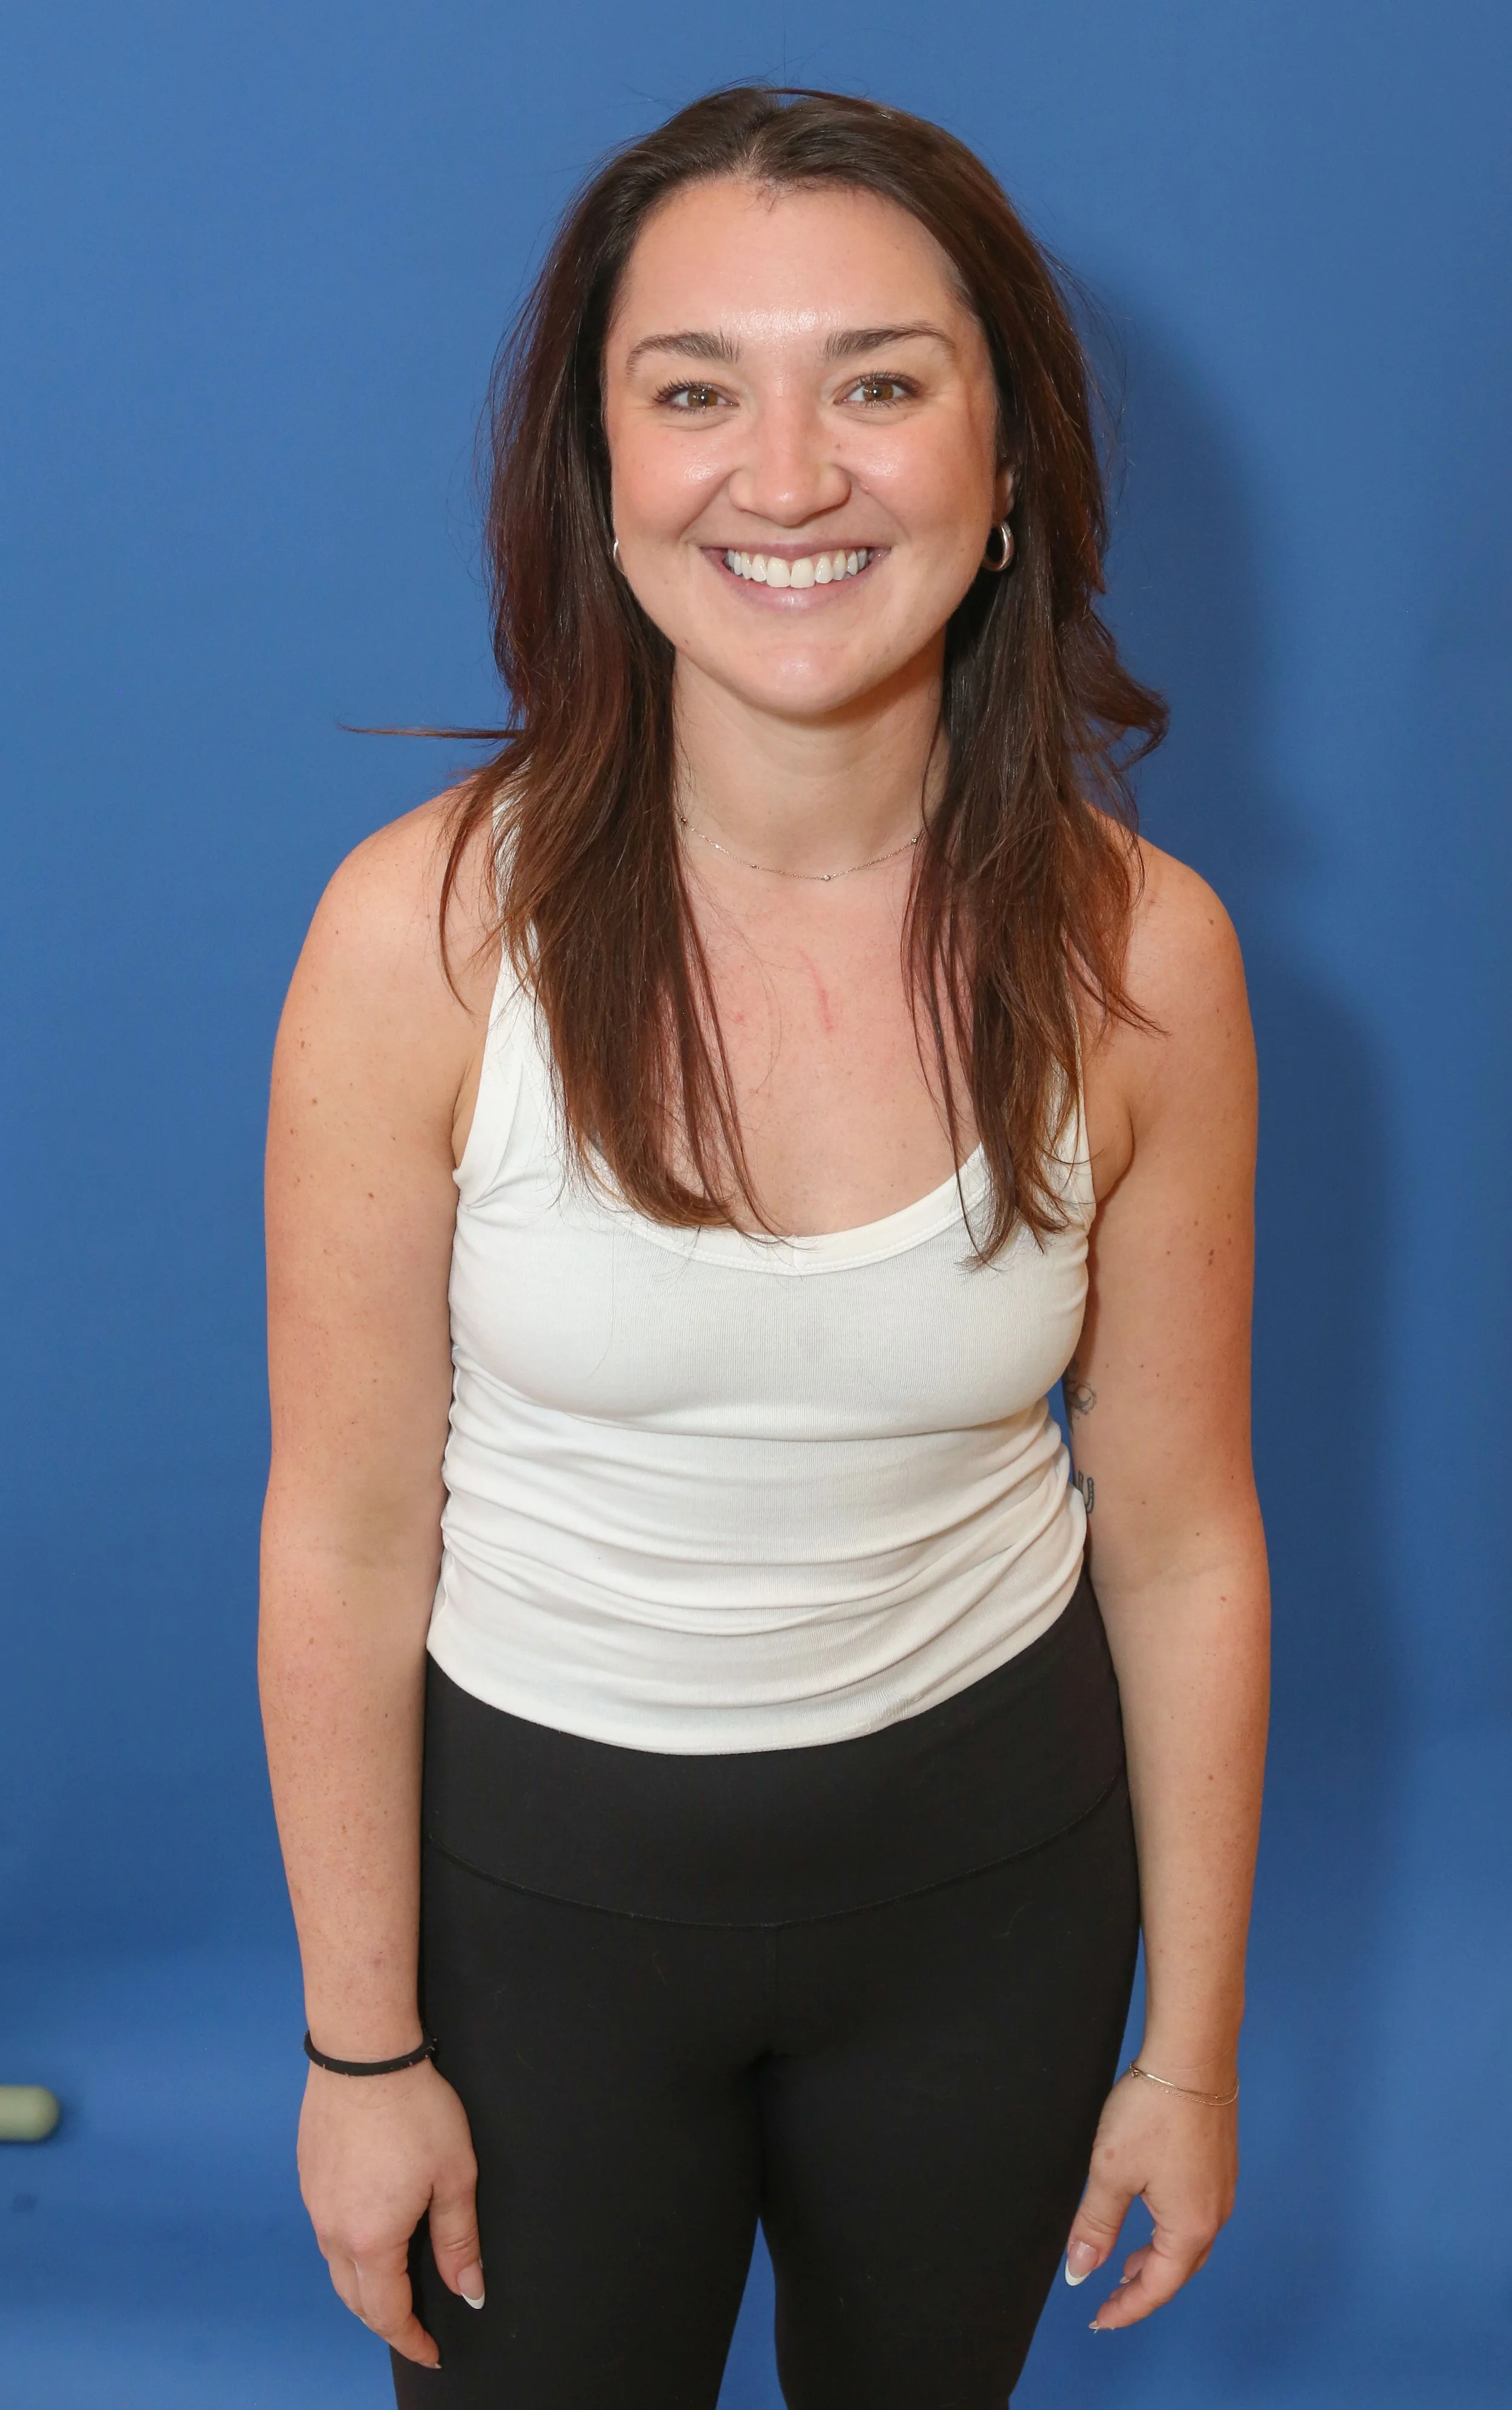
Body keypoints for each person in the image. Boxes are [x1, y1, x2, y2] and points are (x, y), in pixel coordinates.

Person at [258, 84, 1269, 2410]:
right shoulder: (417, 932)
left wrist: (1184, 2053)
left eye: (882, 384)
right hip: (533, 1926)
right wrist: (358, 2046)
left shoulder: (1149, 959)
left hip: (992, 1907)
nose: (786, 474)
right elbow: (334, 1537)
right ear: (596, 468)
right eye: (695, 388)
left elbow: (1188, 1539)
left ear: (1007, 469)